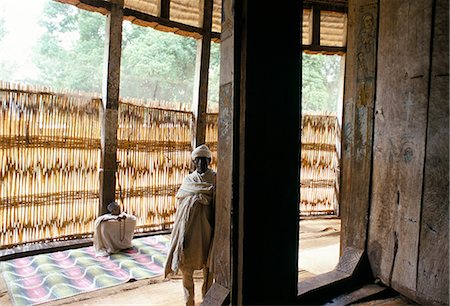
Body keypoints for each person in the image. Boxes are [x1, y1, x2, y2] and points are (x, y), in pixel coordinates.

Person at [164, 144, 216, 306]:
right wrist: (195, 200)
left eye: (204, 160)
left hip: (207, 228)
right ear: (194, 162)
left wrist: (203, 199)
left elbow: (220, 202)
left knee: (209, 266)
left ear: (209, 161)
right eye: (198, 160)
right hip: (188, 229)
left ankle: (207, 299)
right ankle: (189, 301)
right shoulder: (189, 180)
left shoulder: (215, 178)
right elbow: (182, 200)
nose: (201, 163)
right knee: (186, 266)